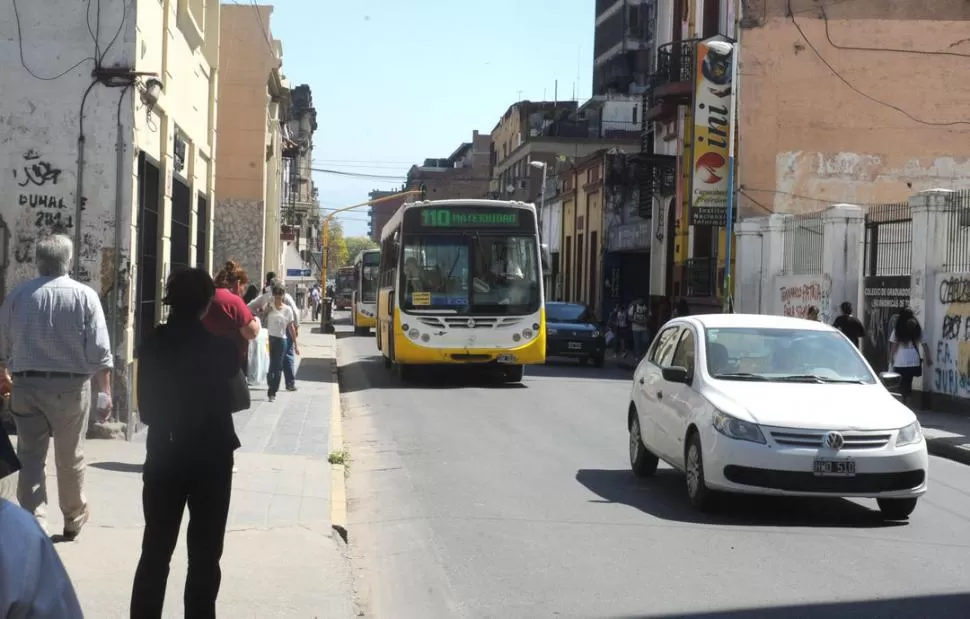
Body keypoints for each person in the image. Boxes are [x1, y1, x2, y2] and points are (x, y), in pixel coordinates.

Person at [130, 268, 242, 619]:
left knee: (155, 552)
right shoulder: (222, 349)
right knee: (205, 556)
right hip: (212, 458)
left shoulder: (151, 343)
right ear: (207, 304)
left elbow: (145, 411)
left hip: (165, 453)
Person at [0, 234, 112, 539]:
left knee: (30, 454)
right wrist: (105, 391)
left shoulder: (18, 296)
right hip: (71, 388)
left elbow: (2, 344)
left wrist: (6, 373)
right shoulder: (85, 296)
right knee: (70, 455)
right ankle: (74, 515)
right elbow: (100, 351)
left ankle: (34, 520)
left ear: (38, 261)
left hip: (26, 385)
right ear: (69, 261)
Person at [203, 261, 260, 373]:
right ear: (238, 284)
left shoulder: (206, 296)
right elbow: (251, 332)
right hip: (228, 367)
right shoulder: (234, 301)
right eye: (243, 286)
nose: (243, 290)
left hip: (202, 362)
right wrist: (257, 321)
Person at [249, 278, 300, 392]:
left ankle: (273, 379)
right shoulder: (285, 296)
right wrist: (297, 326)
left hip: (273, 331)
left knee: (273, 358)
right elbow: (295, 312)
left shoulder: (266, 296)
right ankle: (288, 383)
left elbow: (250, 306)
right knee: (287, 356)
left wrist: (260, 316)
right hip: (281, 330)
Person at [263, 283, 300, 402]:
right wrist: (265, 311)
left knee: (277, 366)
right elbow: (262, 317)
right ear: (273, 295)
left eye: (280, 295)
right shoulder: (269, 306)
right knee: (270, 365)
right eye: (276, 295)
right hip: (269, 339)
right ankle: (271, 383)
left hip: (281, 340)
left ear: (283, 296)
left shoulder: (288, 310)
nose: (278, 297)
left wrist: (296, 344)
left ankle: (272, 392)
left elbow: (291, 327)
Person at [889, 308, 933, 407]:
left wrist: (891, 358)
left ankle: (902, 403)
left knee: (900, 384)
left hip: (900, 360)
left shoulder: (898, 329)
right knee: (908, 383)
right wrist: (928, 358)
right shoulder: (917, 329)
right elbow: (924, 344)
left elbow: (894, 346)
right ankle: (908, 404)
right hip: (913, 360)